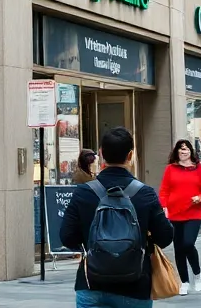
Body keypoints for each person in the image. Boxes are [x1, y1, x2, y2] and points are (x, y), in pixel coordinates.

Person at [60, 126, 174, 307]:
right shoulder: (145, 194)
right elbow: (165, 237)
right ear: (130, 155)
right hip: (136, 286)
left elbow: (66, 236)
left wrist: (90, 244)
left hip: (91, 284)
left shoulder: (83, 193)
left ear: (101, 153)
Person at [159, 139, 201, 294]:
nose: (183, 152)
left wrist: (200, 197)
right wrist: (164, 207)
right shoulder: (170, 169)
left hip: (193, 212)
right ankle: (184, 282)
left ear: (191, 151)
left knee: (188, 243)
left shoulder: (198, 168)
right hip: (175, 214)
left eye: (186, 149)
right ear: (177, 152)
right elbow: (164, 190)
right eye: (181, 149)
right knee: (178, 249)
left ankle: (197, 273)